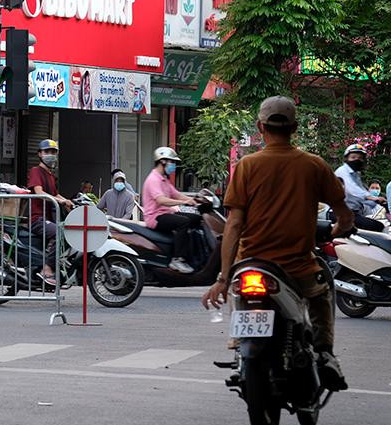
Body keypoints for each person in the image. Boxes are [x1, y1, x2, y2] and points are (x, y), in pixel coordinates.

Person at [202, 96, 353, 391]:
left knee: (239, 292)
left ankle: (239, 345)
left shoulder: (246, 166)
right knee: (322, 295)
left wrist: (223, 278)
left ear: (260, 127)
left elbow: (234, 225)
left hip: (250, 265)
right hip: (298, 268)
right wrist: (339, 229)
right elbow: (344, 215)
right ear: (294, 128)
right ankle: (325, 354)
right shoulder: (314, 165)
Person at [142, 146, 200, 274]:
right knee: (183, 222)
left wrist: (194, 200)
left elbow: (176, 194)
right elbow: (161, 200)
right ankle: (177, 259)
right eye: (172, 162)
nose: (173, 165)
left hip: (165, 213)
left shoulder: (164, 179)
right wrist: (184, 202)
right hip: (155, 217)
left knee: (196, 218)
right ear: (162, 161)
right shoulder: (153, 179)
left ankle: (194, 254)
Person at [27, 139, 74, 286]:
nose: (51, 155)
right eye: (47, 151)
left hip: (47, 219)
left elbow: (55, 194)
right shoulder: (36, 171)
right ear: (39, 154)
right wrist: (61, 201)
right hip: (37, 219)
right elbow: (39, 192)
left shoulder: (51, 175)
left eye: (53, 152)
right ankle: (46, 269)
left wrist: (68, 201)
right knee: (61, 233)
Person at [334, 144, 384, 232]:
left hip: (353, 213)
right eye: (353, 157)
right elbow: (352, 190)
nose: (357, 160)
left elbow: (361, 193)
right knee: (377, 227)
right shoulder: (342, 171)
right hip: (340, 213)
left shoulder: (356, 174)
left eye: (360, 158)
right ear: (346, 159)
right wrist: (373, 198)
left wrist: (378, 204)